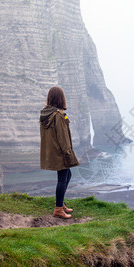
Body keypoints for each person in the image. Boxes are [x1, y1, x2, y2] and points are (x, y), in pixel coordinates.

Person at [40, 86, 79, 219]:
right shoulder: (59, 116)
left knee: (67, 174)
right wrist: (68, 152)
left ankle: (60, 203)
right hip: (61, 152)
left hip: (51, 152)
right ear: (61, 99)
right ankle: (58, 209)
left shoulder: (45, 114)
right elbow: (63, 137)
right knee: (63, 178)